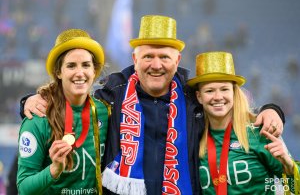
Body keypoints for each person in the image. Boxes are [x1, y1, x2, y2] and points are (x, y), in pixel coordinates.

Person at [20, 15, 285, 195]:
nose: (156, 65)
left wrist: (272, 109)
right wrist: (31, 101)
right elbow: (73, 102)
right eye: (148, 56)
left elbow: (230, 107)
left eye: (164, 57)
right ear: (134, 58)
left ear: (178, 58)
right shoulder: (112, 95)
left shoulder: (194, 98)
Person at [187, 51, 299, 194]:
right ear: (199, 96)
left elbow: (295, 189)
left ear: (234, 93)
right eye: (209, 91)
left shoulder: (259, 133)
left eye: (224, 89)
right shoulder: (194, 138)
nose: (217, 97)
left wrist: (289, 166)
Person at [17, 28, 108, 194]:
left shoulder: (105, 111)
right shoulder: (38, 117)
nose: (80, 73)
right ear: (58, 72)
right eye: (71, 65)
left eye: (86, 65)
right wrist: (54, 169)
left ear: (94, 71)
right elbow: (23, 187)